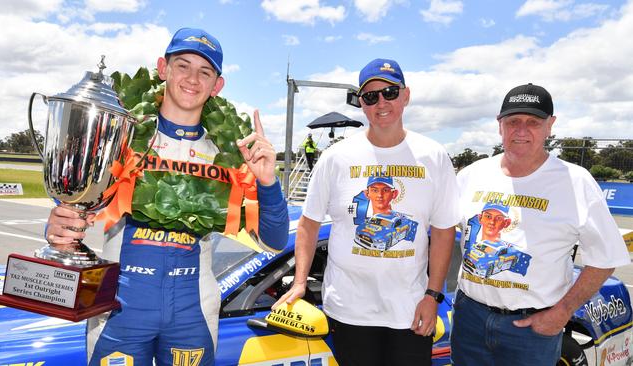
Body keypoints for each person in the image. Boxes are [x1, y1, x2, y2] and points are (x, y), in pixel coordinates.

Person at [45, 27, 289, 366]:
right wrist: (60, 227)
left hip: (193, 313)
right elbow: (76, 207)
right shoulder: (123, 134)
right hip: (119, 307)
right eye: (182, 65)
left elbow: (275, 241)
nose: (192, 78)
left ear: (217, 85)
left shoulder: (230, 151)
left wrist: (266, 181)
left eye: (205, 71)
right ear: (163, 68)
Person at [274, 58, 460, 366]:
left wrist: (433, 295)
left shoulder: (434, 156)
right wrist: (299, 281)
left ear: (406, 95)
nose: (381, 102)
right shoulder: (336, 158)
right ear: (362, 102)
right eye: (371, 96)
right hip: (349, 310)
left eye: (390, 92)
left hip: (410, 310)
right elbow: (308, 224)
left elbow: (443, 231)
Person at [451, 83, 630, 365]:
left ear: (550, 126)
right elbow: (441, 230)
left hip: (532, 329)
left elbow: (606, 258)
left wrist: (562, 312)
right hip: (469, 318)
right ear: (500, 126)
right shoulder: (471, 175)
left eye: (533, 122)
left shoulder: (575, 181)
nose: (521, 131)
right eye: (513, 122)